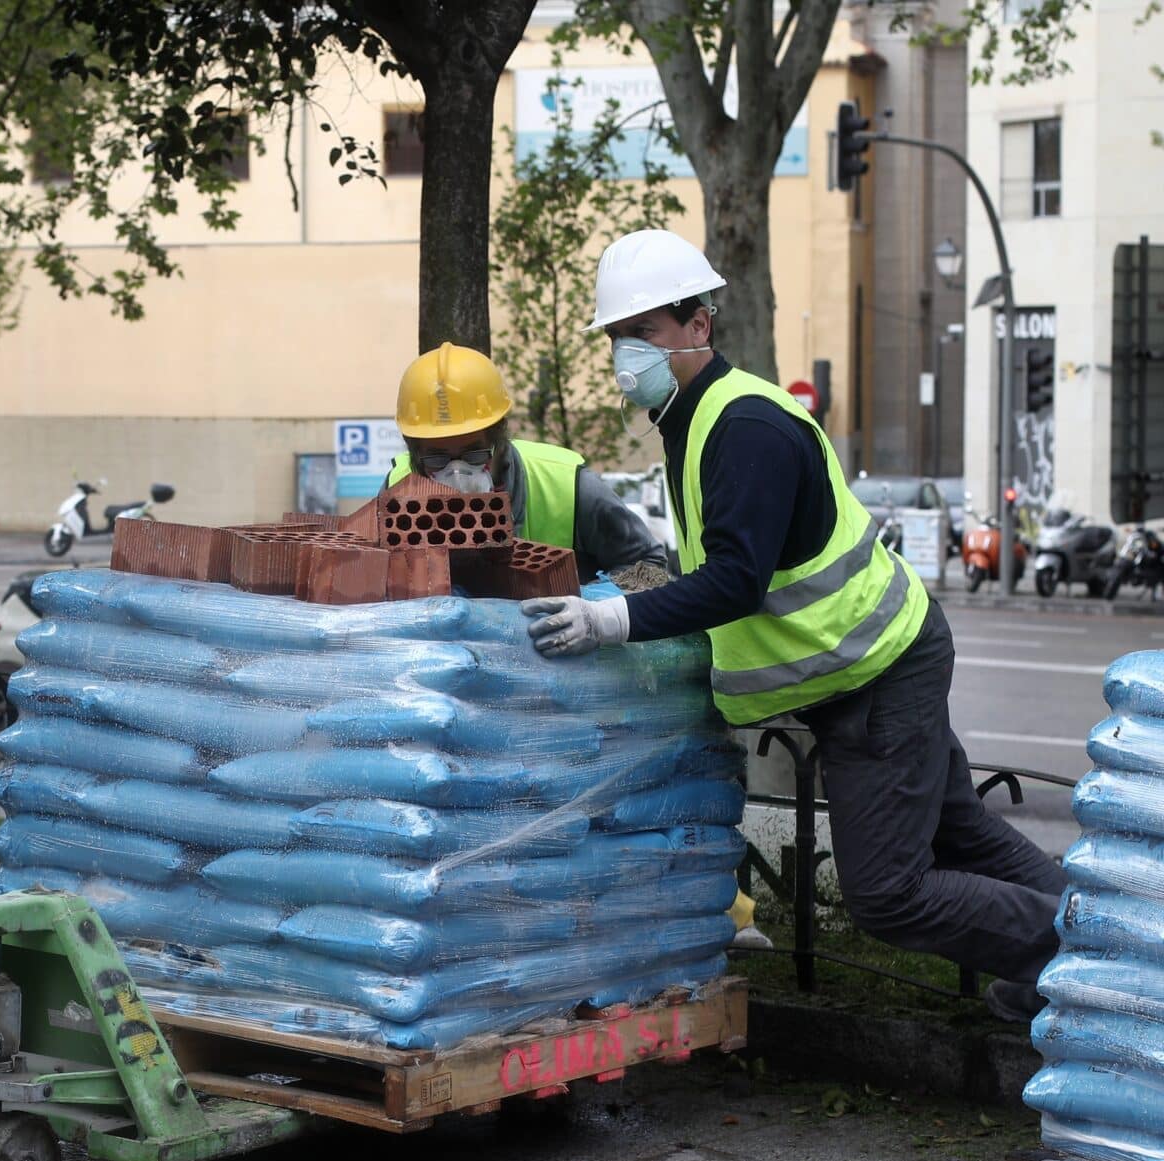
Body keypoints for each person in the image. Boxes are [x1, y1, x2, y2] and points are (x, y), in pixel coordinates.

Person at [522, 228, 1065, 1022]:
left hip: (876, 670)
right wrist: (642, 585)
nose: (624, 356)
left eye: (644, 333)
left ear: (698, 325)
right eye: (617, 338)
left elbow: (736, 581)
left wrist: (614, 618)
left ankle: (1071, 955)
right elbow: (725, 557)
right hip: (866, 665)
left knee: (889, 894)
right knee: (961, 836)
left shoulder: (745, 428)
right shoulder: (693, 417)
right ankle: (1119, 944)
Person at [386, 342, 665, 579]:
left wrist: (593, 611)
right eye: (437, 458)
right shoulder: (395, 493)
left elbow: (649, 569)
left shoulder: (566, 486)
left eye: (475, 454)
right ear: (414, 454)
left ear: (500, 440)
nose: (457, 474)